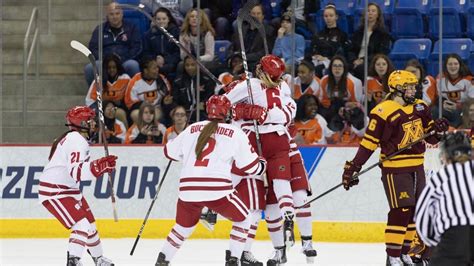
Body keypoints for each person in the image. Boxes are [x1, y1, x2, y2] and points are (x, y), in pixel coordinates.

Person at [340, 70, 449, 266]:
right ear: (397, 89)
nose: (413, 90)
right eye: (409, 87)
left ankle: (405, 252)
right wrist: (353, 166)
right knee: (401, 209)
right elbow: (369, 143)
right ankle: (393, 255)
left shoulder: (421, 108)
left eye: (414, 86)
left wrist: (438, 131)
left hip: (417, 166)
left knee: (415, 210)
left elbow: (430, 137)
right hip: (395, 169)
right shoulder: (383, 112)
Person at [155, 95, 267, 266]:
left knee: (182, 228)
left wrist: (180, 146)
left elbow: (168, 153)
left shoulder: (192, 128)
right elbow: (250, 167)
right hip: (217, 189)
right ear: (227, 112)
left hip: (188, 189)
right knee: (245, 219)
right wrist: (262, 164)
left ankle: (162, 260)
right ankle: (233, 260)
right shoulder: (236, 133)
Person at [224, 55, 297, 264]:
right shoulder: (281, 87)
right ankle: (289, 214)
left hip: (254, 141)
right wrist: (244, 110)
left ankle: (238, 250)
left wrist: (242, 110)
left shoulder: (251, 85)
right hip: (276, 139)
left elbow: (221, 107)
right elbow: (289, 113)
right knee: (277, 187)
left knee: (254, 204)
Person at [38, 106, 117, 266]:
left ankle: (99, 259)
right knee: (82, 224)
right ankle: (73, 261)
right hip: (55, 192)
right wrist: (99, 166)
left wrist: (99, 166)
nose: (93, 124)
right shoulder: (76, 140)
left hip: (69, 189)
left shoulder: (74, 138)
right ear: (81, 123)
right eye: (90, 120)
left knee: (90, 224)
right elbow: (77, 173)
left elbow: (77, 172)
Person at [415, 131, 473, 266]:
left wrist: (438, 244)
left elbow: (423, 220)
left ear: (445, 155)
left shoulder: (441, 178)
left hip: (453, 240)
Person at [86, 2, 142, 86]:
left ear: (122, 14)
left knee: (133, 65)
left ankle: (132, 96)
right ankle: (96, 95)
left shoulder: (132, 28)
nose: (115, 17)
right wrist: (105, 59)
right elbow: (93, 47)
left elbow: (137, 47)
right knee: (90, 68)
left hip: (124, 60)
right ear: (107, 16)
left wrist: (123, 58)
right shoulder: (100, 29)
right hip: (104, 61)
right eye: (111, 14)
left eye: (117, 13)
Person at [348, 2, 391, 81]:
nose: (370, 13)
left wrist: (363, 60)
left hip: (371, 62)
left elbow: (380, 53)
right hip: (355, 61)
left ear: (378, 15)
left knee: (361, 68)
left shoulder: (383, 33)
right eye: (368, 11)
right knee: (339, 66)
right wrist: (354, 60)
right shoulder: (358, 32)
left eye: (373, 11)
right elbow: (351, 49)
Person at [85, 53, 130, 128]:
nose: (112, 70)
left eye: (114, 67)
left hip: (118, 107)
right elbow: (89, 100)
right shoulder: (99, 80)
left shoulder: (125, 78)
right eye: (109, 68)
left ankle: (125, 137)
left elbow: (130, 96)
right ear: (105, 68)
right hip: (101, 107)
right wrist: (98, 111)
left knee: (121, 113)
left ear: (118, 68)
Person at [307, 4, 350, 78]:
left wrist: (325, 59)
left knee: (318, 69)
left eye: (331, 16)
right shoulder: (318, 34)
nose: (328, 18)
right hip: (316, 61)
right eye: (326, 16)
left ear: (336, 17)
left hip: (332, 62)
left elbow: (343, 54)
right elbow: (311, 50)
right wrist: (314, 56)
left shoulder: (342, 35)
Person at [124, 57, 172, 124]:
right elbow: (129, 102)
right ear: (145, 70)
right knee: (134, 114)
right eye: (154, 68)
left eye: (157, 67)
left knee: (153, 115)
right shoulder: (134, 81)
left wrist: (165, 101)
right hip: (141, 110)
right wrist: (144, 106)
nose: (157, 70)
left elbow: (168, 94)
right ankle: (144, 133)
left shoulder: (161, 79)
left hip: (157, 108)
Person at [317, 55, 363, 123]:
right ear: (330, 68)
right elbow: (323, 101)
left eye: (340, 66)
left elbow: (356, 104)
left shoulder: (354, 82)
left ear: (344, 68)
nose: (337, 68)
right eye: (334, 66)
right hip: (331, 109)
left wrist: (345, 107)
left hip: (347, 109)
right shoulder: (324, 80)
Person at [231, 3, 276, 72]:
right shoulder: (241, 29)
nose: (256, 16)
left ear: (263, 16)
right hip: (239, 61)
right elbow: (233, 46)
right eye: (253, 14)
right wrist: (234, 58)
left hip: (255, 63)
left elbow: (265, 52)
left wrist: (244, 58)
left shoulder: (269, 31)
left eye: (258, 14)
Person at [433, 53, 474, 128]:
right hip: (447, 109)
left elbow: (472, 101)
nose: (453, 67)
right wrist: (443, 103)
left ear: (460, 65)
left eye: (455, 64)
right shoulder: (440, 78)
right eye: (450, 64)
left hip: (463, 109)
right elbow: (438, 97)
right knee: (435, 110)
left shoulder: (469, 79)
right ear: (446, 66)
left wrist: (458, 106)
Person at [170, 56, 215, 122]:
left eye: (192, 65)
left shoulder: (206, 80)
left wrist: (204, 104)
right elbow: (175, 100)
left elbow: (210, 97)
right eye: (187, 65)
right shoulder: (178, 81)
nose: (189, 67)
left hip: (202, 112)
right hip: (184, 112)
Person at [142, 7, 181, 78]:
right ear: (155, 20)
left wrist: (165, 60)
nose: (161, 21)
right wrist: (155, 59)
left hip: (171, 63)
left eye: (164, 19)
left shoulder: (176, 32)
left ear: (168, 19)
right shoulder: (148, 34)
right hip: (154, 62)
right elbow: (146, 52)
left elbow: (178, 52)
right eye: (158, 19)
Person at [178, 8, 219, 74]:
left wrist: (197, 59)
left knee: (199, 66)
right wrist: (187, 44)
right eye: (192, 16)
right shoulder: (183, 34)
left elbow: (210, 56)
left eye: (197, 17)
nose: (194, 18)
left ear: (202, 19)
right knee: (181, 65)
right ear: (188, 19)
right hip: (191, 61)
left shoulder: (208, 33)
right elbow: (183, 57)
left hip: (206, 60)